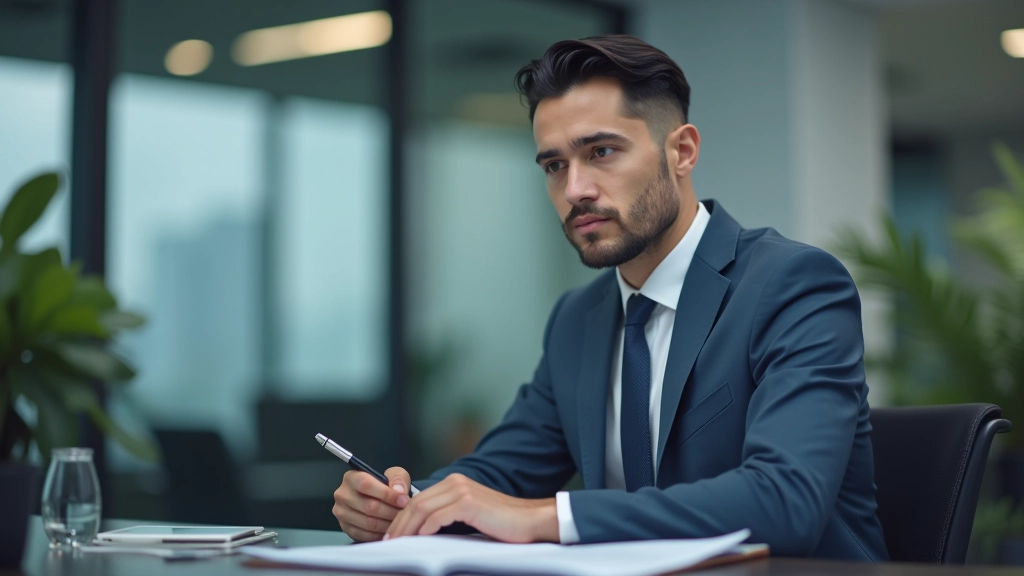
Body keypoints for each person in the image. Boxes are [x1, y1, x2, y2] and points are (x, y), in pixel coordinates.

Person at [332, 34, 889, 561]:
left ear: (683, 151)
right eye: (554, 165)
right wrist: (401, 503)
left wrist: (543, 518)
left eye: (601, 151)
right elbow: (499, 475)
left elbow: (784, 502)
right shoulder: (580, 319)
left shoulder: (793, 285)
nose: (575, 189)